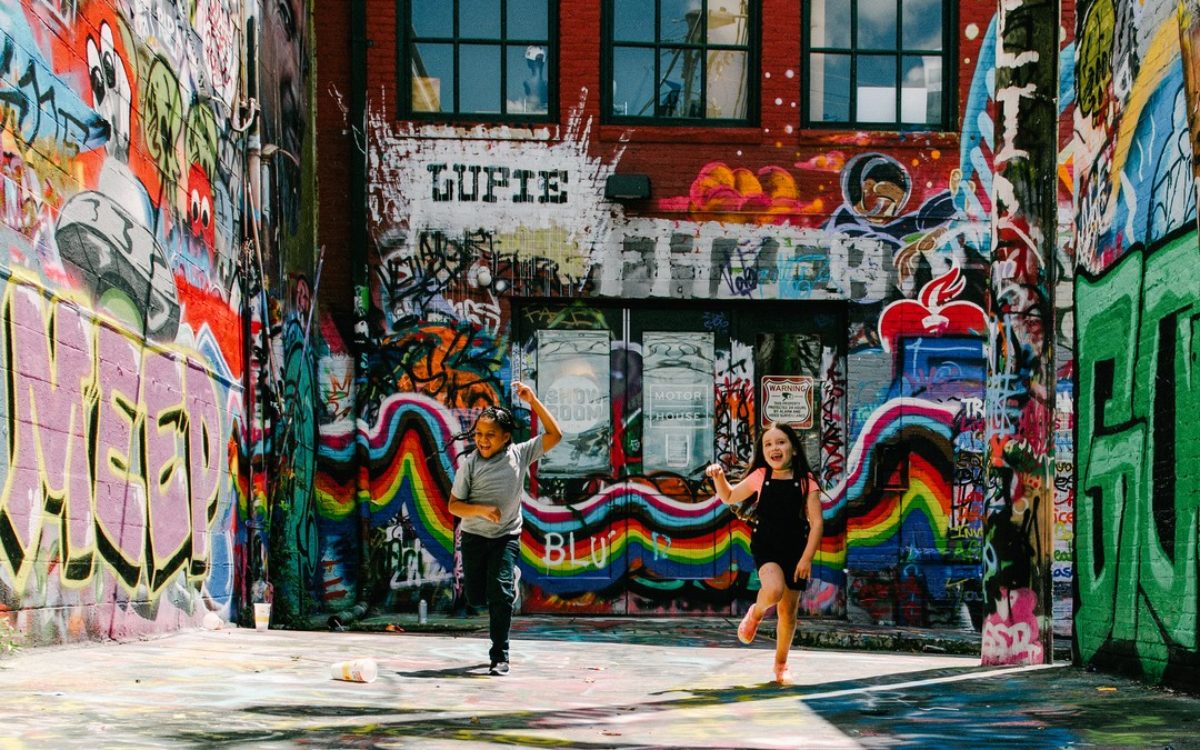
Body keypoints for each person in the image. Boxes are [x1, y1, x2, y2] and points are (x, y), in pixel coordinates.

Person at [448, 382, 562, 676]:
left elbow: (555, 435)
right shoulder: (469, 466)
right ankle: (507, 579)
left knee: (499, 593)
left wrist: (533, 400)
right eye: (479, 434)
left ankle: (500, 655)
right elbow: (454, 506)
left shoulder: (519, 454)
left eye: (490, 435)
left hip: (506, 536)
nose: (483, 440)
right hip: (474, 537)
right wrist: (481, 510)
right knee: (475, 598)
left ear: (506, 437)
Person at [705, 422, 823, 685]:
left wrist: (806, 558)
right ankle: (755, 613)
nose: (774, 448)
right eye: (768, 444)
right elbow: (729, 496)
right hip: (767, 545)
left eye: (780, 442)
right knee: (773, 590)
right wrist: (718, 476)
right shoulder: (761, 475)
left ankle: (781, 665)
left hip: (796, 549)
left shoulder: (806, 481)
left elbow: (816, 523)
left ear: (793, 448)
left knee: (788, 612)